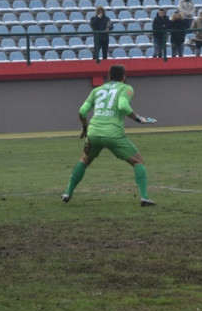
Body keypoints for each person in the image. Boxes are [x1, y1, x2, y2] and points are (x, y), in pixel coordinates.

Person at [62, 64, 158, 206]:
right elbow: (123, 106)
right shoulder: (126, 88)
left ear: (108, 76)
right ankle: (144, 197)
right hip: (113, 134)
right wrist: (139, 119)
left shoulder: (97, 90)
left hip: (93, 133)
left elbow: (82, 111)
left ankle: (68, 193)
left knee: (84, 160)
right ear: (123, 76)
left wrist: (85, 128)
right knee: (138, 162)